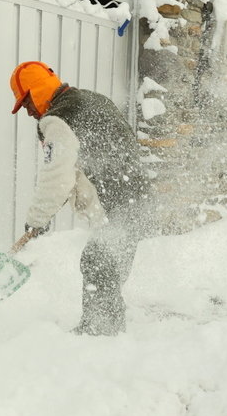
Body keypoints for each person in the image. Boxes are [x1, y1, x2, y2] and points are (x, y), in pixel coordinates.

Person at [8, 61, 149, 336]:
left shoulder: (60, 119)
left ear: (36, 92)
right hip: (136, 199)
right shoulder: (91, 100)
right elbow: (77, 169)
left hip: (119, 203)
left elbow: (56, 175)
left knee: (97, 262)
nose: (28, 113)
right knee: (108, 266)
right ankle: (107, 330)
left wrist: (35, 220)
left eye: (26, 104)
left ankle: (99, 333)